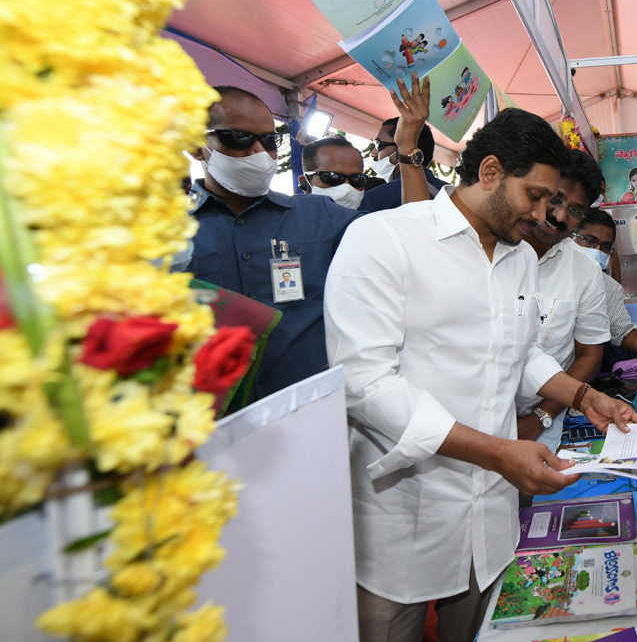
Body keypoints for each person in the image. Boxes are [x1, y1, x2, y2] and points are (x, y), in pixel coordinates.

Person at [324, 109, 637, 642]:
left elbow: (518, 352)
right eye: (537, 195)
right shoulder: (384, 239)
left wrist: (583, 394)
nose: (545, 214)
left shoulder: (519, 257)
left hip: (489, 521)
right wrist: (497, 452)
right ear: (490, 171)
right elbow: (363, 383)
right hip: (405, 515)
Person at [183, 86, 357, 401]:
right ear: (196, 145)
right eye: (239, 139)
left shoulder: (322, 218)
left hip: (315, 412)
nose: (259, 153)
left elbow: (406, 242)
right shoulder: (171, 235)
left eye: (268, 141)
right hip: (220, 427)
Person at [514, 149, 612, 449]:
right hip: (475, 418)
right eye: (555, 199)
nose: (559, 216)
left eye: (575, 210)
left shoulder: (584, 270)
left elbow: (588, 355)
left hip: (543, 422)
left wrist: (541, 417)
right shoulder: (500, 250)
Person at [574, 208, 637, 358]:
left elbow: (623, 333)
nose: (597, 250)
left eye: (606, 246)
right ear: (572, 236)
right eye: (590, 241)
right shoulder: (548, 271)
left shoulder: (609, 287)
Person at [362, 75, 447, 210]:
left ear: (399, 150)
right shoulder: (452, 194)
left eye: (379, 145)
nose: (373, 153)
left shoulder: (378, 198)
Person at [299, 135, 368, 210]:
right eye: (334, 177)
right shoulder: (289, 220)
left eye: (357, 179)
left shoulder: (375, 219)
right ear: (305, 182)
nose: (347, 189)